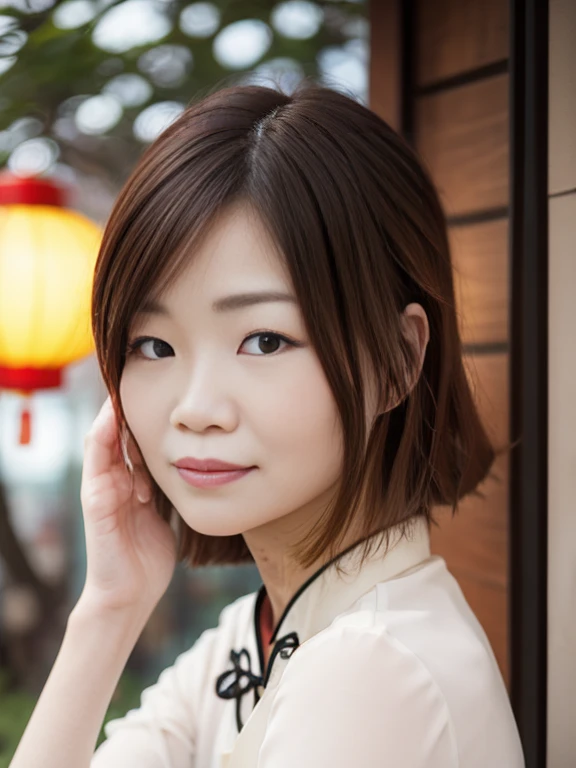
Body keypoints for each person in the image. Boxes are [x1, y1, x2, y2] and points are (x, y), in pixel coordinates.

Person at [9, 82, 525, 768]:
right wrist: (110, 606)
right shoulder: (253, 635)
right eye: (153, 346)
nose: (196, 408)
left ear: (399, 360)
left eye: (264, 340)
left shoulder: (372, 670)